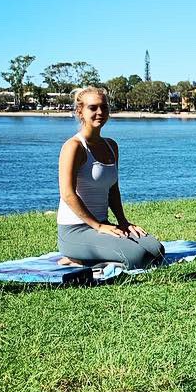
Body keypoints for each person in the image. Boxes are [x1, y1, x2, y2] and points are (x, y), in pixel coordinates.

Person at [56, 86, 164, 269]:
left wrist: (123, 222)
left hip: (103, 226)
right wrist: (98, 226)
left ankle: (88, 257)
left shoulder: (111, 146)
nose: (100, 112)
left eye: (104, 107)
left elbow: (113, 190)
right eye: (93, 108)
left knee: (155, 250)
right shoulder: (73, 147)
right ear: (80, 111)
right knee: (137, 257)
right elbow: (68, 194)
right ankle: (77, 257)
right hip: (75, 230)